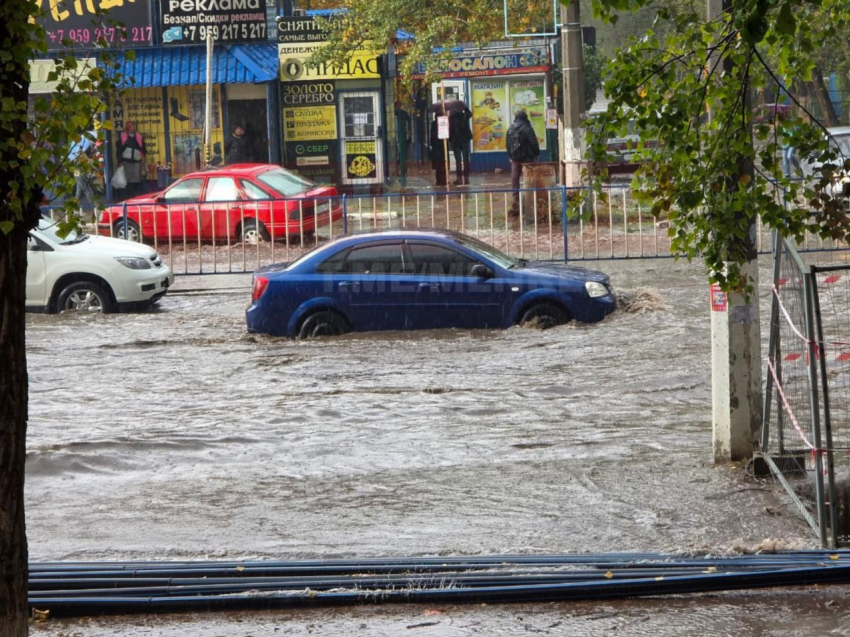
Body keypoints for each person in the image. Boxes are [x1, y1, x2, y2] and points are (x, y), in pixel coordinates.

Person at [505, 109, 540, 216]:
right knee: (529, 176)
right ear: (525, 117)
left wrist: (511, 155)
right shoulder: (528, 128)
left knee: (515, 176)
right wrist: (536, 153)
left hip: (515, 157)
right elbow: (533, 143)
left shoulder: (510, 128)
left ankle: (516, 198)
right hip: (527, 158)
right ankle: (529, 196)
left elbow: (507, 144)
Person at [115, 121, 146, 197]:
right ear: (126, 127)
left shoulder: (138, 136)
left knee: (136, 181)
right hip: (126, 162)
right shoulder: (123, 136)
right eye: (129, 126)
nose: (131, 127)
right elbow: (119, 150)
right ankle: (128, 197)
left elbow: (143, 149)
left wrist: (143, 160)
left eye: (132, 125)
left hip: (136, 162)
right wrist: (120, 161)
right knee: (127, 182)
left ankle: (135, 197)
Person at [69, 132, 97, 216]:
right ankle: (95, 208)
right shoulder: (79, 154)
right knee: (88, 191)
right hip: (80, 175)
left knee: (78, 193)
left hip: (79, 174)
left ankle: (75, 211)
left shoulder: (81, 153)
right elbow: (85, 165)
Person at [449, 106, 472, 186]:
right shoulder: (464, 115)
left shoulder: (451, 118)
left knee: (458, 160)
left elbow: (450, 130)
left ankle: (459, 178)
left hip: (456, 142)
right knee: (466, 159)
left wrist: (451, 139)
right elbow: (470, 114)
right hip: (465, 140)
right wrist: (465, 108)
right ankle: (466, 178)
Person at [430, 113, 447, 187]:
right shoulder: (443, 122)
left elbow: (432, 136)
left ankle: (440, 180)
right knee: (442, 164)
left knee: (439, 165)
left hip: (437, 147)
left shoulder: (434, 123)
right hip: (441, 146)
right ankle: (443, 180)